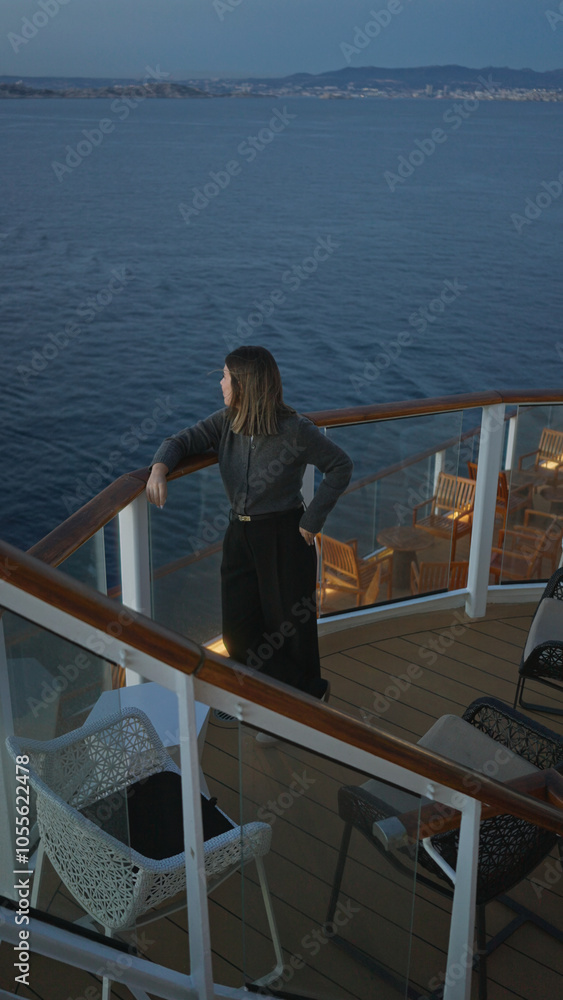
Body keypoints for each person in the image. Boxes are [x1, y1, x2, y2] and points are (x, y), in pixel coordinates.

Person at [146, 345, 353, 704]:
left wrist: (312, 519)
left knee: (290, 632)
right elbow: (180, 441)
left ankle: (299, 711)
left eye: (225, 377)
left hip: (285, 536)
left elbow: (340, 466)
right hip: (239, 536)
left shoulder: (295, 430)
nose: (221, 384)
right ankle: (307, 694)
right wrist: (159, 469)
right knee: (238, 635)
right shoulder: (225, 422)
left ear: (244, 385)